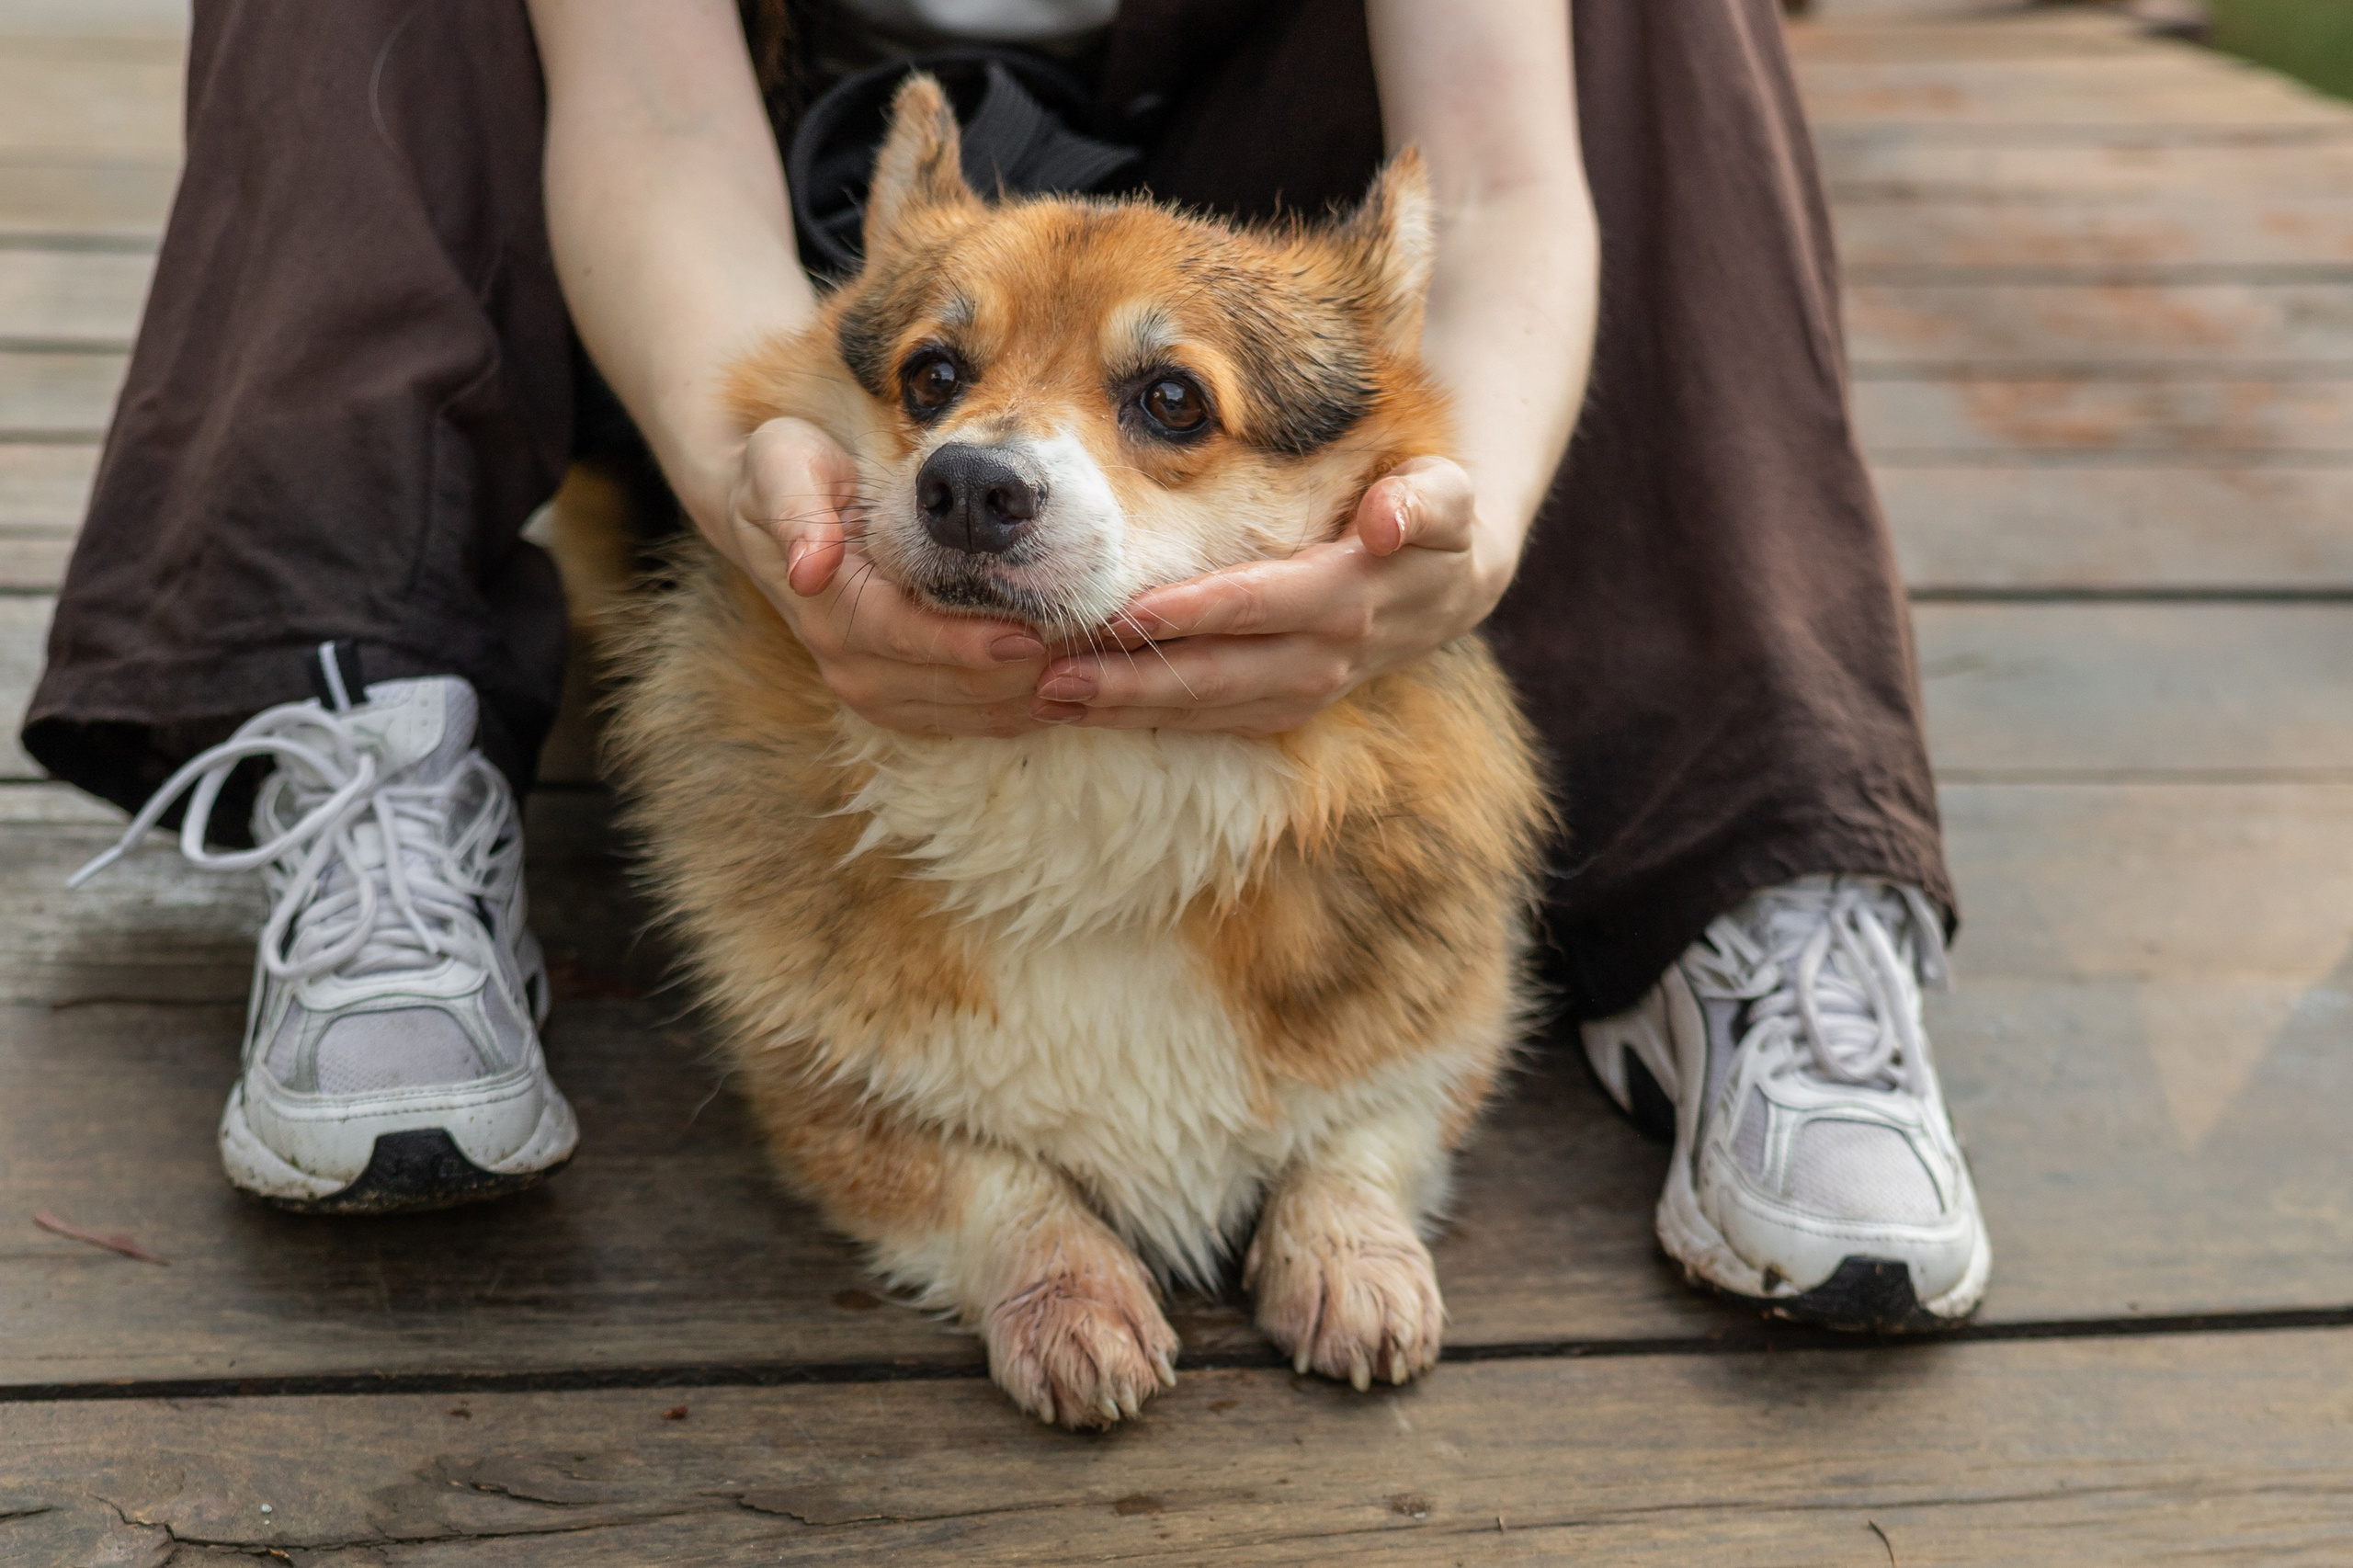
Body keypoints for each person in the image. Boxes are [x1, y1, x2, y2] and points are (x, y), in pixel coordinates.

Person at [30, 0, 1985, 1326]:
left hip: (1256, 190)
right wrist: (762, 476)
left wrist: (1448, 538)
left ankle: (1760, 865)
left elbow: (1485, 179)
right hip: (775, 206)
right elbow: (650, 111)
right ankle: (366, 706)